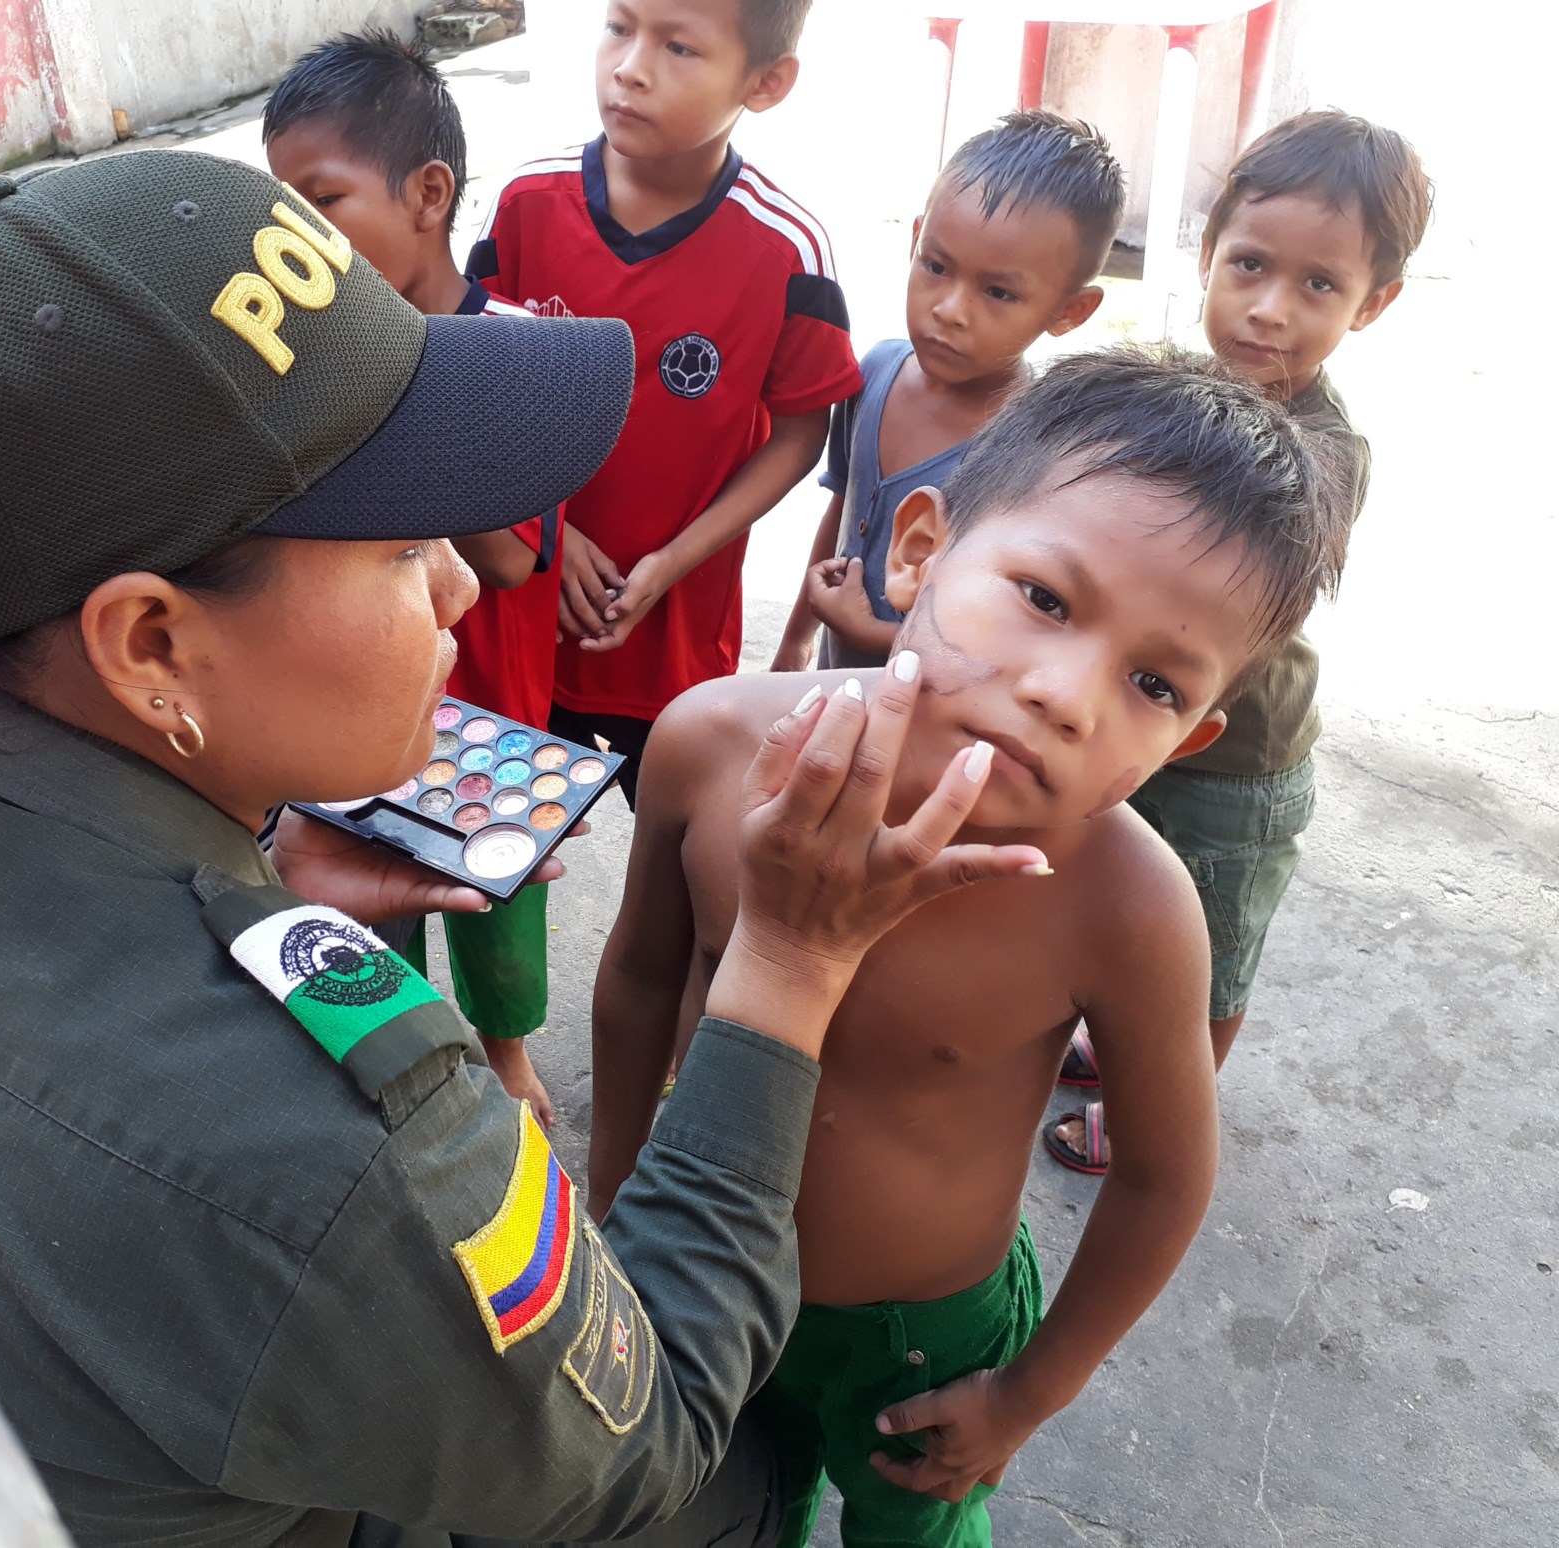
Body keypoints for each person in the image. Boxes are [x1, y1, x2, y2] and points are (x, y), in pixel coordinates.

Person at [0, 151, 1051, 1548]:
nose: (463, 581)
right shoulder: (341, 1146)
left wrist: (237, 880)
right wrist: (787, 963)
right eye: (399, 552)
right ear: (154, 645)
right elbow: (650, 1446)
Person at [589, 348, 1347, 1548]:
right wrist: (616, 1193)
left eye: (1151, 682)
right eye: (1045, 598)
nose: (1066, 693)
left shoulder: (1130, 908)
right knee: (718, 1514)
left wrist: (1027, 1395)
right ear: (920, 548)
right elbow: (638, 980)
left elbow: (1166, 1174)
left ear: (1189, 740)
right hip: (693, 1266)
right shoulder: (709, 746)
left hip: (922, 1343)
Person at [1048, 111, 1430, 1173]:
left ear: (1375, 304)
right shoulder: (1167, 385)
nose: (1268, 310)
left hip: (1238, 762)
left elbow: (1243, 610)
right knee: (1117, 904)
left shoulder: (1326, 455)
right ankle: (1103, 1036)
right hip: (1138, 727)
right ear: (1208, 255)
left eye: (1319, 286)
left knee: (1208, 958)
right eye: (1250, 265)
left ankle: (1159, 1113)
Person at [265, 30, 558, 1129]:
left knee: (495, 899)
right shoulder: (313, 357)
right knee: (360, 889)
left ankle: (507, 1051)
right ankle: (390, 1058)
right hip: (354, 695)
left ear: (428, 194)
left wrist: (399, 397)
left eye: (322, 200)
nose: (294, 238)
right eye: (279, 206)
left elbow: (513, 556)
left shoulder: (518, 358)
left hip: (490, 711)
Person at [467, 0, 861, 806]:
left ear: (767, 82)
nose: (631, 67)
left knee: (686, 864)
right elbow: (470, 386)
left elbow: (798, 435)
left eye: (679, 46)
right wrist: (548, 530)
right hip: (523, 619)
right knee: (502, 848)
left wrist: (671, 563)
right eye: (618, 26)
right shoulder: (523, 204)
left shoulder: (789, 248)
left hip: (677, 633)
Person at [771, 111, 1122, 674]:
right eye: (935, 265)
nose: (950, 309)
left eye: (999, 293)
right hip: (831, 689)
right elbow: (844, 512)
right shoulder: (876, 372)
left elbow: (1008, 647)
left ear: (1069, 311)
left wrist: (869, 631)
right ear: (915, 240)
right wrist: (797, 639)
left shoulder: (1034, 454)